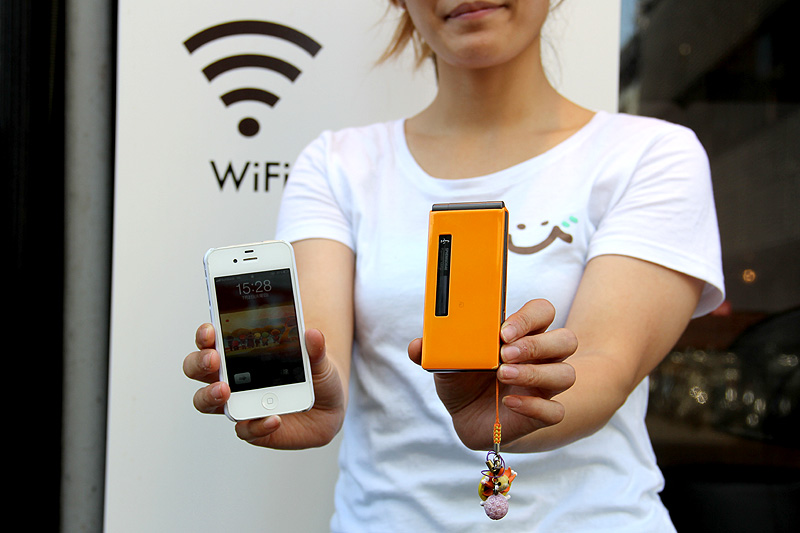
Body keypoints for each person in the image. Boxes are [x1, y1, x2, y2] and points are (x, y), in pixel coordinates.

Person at [183, 1, 725, 530]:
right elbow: (319, 348)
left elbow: (607, 363)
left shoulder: (650, 155)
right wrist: (313, 393)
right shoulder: (337, 164)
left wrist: (511, 404)